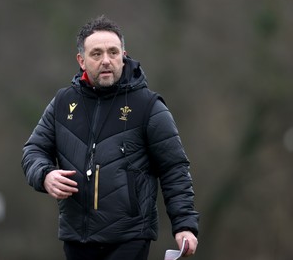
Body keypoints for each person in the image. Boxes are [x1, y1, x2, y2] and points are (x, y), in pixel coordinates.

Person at [21, 15, 199, 260]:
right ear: (81, 61)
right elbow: (33, 151)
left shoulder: (148, 106)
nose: (106, 60)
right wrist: (45, 175)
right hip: (76, 238)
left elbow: (174, 168)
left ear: (124, 56)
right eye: (96, 54)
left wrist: (185, 225)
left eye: (113, 52)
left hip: (129, 238)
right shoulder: (63, 103)